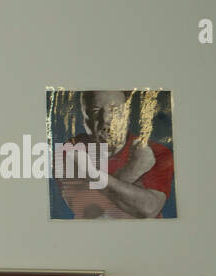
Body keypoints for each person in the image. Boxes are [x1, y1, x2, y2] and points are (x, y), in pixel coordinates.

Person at [57, 90, 174, 219]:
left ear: (127, 116)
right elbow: (88, 209)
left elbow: (149, 209)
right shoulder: (72, 148)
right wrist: (133, 169)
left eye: (116, 111)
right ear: (86, 119)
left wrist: (91, 174)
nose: (106, 119)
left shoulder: (155, 151)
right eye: (96, 112)